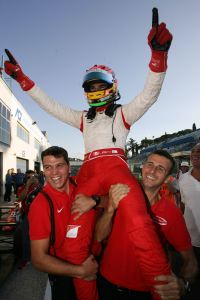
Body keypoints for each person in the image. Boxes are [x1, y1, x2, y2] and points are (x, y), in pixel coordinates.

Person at [5, 8, 174, 293]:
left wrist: (158, 55)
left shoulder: (123, 114)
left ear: (112, 87)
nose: (95, 90)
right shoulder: (84, 118)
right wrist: (23, 80)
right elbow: (51, 105)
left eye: (100, 86)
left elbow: (149, 95)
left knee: (139, 224)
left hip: (116, 170)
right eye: (91, 86)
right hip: (90, 172)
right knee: (75, 242)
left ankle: (162, 289)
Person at [94, 150, 198, 299]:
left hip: (144, 292)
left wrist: (183, 284)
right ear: (142, 167)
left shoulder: (171, 213)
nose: (153, 171)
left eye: (161, 168)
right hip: (106, 283)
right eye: (150, 164)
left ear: (168, 178)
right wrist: (110, 208)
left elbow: (191, 261)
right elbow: (99, 237)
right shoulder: (121, 195)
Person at [28, 146, 98, 300]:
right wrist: (81, 271)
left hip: (90, 258)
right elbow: (38, 259)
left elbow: (110, 199)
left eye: (59, 166)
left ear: (69, 167)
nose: (54, 173)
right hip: (64, 272)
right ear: (43, 170)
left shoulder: (80, 186)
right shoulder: (40, 205)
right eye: (48, 167)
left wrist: (94, 200)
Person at [179, 143, 200, 271]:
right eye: (193, 151)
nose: (196, 154)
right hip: (191, 237)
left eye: (199, 151)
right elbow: (183, 203)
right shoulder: (183, 179)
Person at [17, 170, 40, 268]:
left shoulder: (40, 188)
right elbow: (20, 198)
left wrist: (37, 184)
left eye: (33, 177)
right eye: (28, 178)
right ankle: (26, 258)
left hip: (39, 216)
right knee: (26, 238)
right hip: (27, 216)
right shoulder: (22, 188)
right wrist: (27, 185)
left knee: (40, 238)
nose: (31, 179)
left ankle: (40, 258)